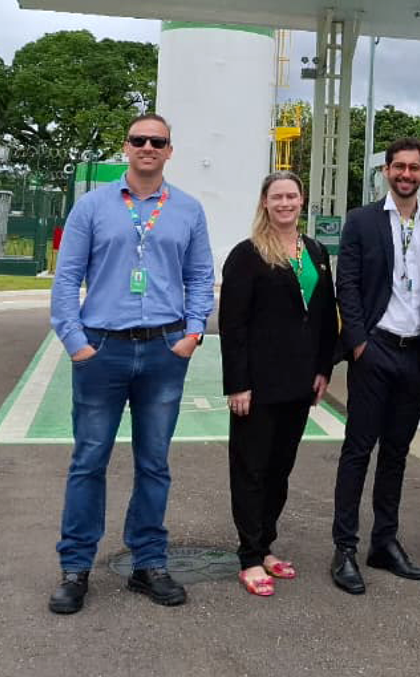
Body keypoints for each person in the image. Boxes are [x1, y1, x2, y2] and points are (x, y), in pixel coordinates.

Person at [47, 113, 215, 614]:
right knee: (88, 460)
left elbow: (200, 276)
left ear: (169, 151)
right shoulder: (92, 207)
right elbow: (66, 277)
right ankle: (75, 567)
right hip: (102, 349)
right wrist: (75, 341)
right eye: (139, 139)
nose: (148, 147)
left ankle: (148, 563)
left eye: (157, 142)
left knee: (154, 463)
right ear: (126, 147)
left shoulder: (187, 209)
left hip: (164, 350)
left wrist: (193, 333)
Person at [329, 137, 420, 595]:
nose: (406, 174)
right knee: (358, 450)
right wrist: (358, 343)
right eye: (399, 167)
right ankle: (345, 548)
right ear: (386, 171)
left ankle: (384, 542)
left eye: (414, 167)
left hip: (416, 352)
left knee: (397, 453)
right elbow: (346, 283)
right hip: (375, 350)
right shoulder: (361, 220)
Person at [220, 172, 338, 598]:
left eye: (292, 196)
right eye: (277, 197)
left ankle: (266, 544)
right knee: (251, 468)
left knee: (279, 469)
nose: (285, 203)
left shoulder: (316, 252)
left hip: (299, 382)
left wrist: (324, 368)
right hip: (258, 383)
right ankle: (250, 556)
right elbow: (233, 325)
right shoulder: (248, 254)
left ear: (302, 200)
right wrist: (238, 384)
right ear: (265, 203)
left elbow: (324, 315)